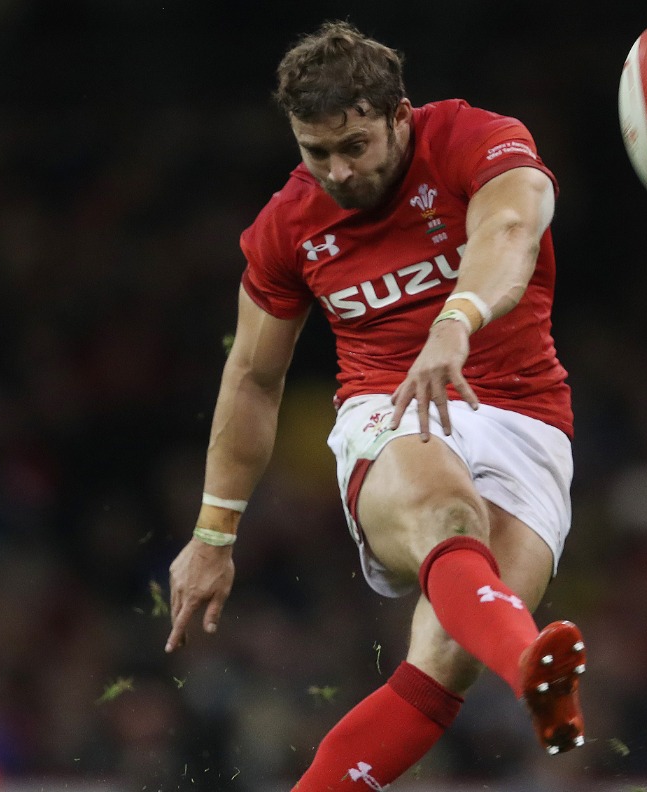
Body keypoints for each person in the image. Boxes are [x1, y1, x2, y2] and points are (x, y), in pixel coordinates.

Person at [163, 20, 586, 790]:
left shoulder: (476, 140)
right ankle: (531, 664)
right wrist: (213, 532)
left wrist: (455, 322)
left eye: (354, 146)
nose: (338, 171)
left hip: (527, 419)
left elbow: (511, 231)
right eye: (315, 151)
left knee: (447, 657)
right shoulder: (288, 226)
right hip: (388, 409)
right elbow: (252, 378)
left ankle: (518, 659)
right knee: (446, 514)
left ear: (399, 116)